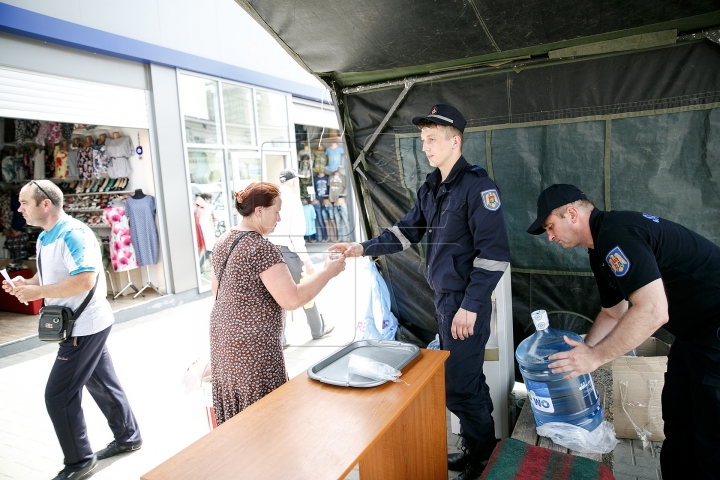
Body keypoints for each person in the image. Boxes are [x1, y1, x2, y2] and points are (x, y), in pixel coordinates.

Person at [331, 104, 510, 479]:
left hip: (464, 306)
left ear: (454, 141)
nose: (425, 147)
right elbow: (404, 232)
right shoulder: (432, 188)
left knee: (459, 387)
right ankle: (478, 449)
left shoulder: (478, 187)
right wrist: (361, 248)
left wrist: (471, 306)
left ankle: (482, 459)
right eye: (423, 140)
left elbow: (494, 255)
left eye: (431, 140)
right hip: (445, 303)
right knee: (468, 380)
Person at [526, 184, 720, 479]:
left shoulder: (617, 234)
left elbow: (653, 311)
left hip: (715, 333)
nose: (550, 237)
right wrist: (583, 353)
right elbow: (613, 313)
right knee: (678, 420)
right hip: (694, 336)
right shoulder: (599, 249)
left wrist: (596, 358)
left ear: (572, 213)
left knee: (711, 436)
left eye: (551, 227)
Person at [2, 180, 142, 480]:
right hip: (80, 324)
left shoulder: (73, 234)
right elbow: (51, 273)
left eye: (24, 202)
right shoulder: (45, 237)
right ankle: (128, 436)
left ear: (45, 204)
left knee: (58, 395)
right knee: (102, 382)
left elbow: (84, 281)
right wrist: (28, 284)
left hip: (85, 325)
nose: (19, 208)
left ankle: (79, 461)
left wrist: (38, 292)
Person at [210, 181, 345, 426]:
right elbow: (292, 299)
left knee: (236, 420)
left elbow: (215, 290)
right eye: (276, 211)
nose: (279, 218)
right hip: (252, 349)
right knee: (265, 420)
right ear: (259, 211)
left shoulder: (223, 241)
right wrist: (328, 272)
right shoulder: (261, 248)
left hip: (223, 341)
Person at [268, 169, 334, 346]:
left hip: (272, 251)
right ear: (294, 181)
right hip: (289, 252)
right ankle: (317, 329)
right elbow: (295, 235)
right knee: (305, 290)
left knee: (278, 295)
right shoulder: (292, 200)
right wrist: (306, 260)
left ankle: (280, 339)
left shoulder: (272, 197)